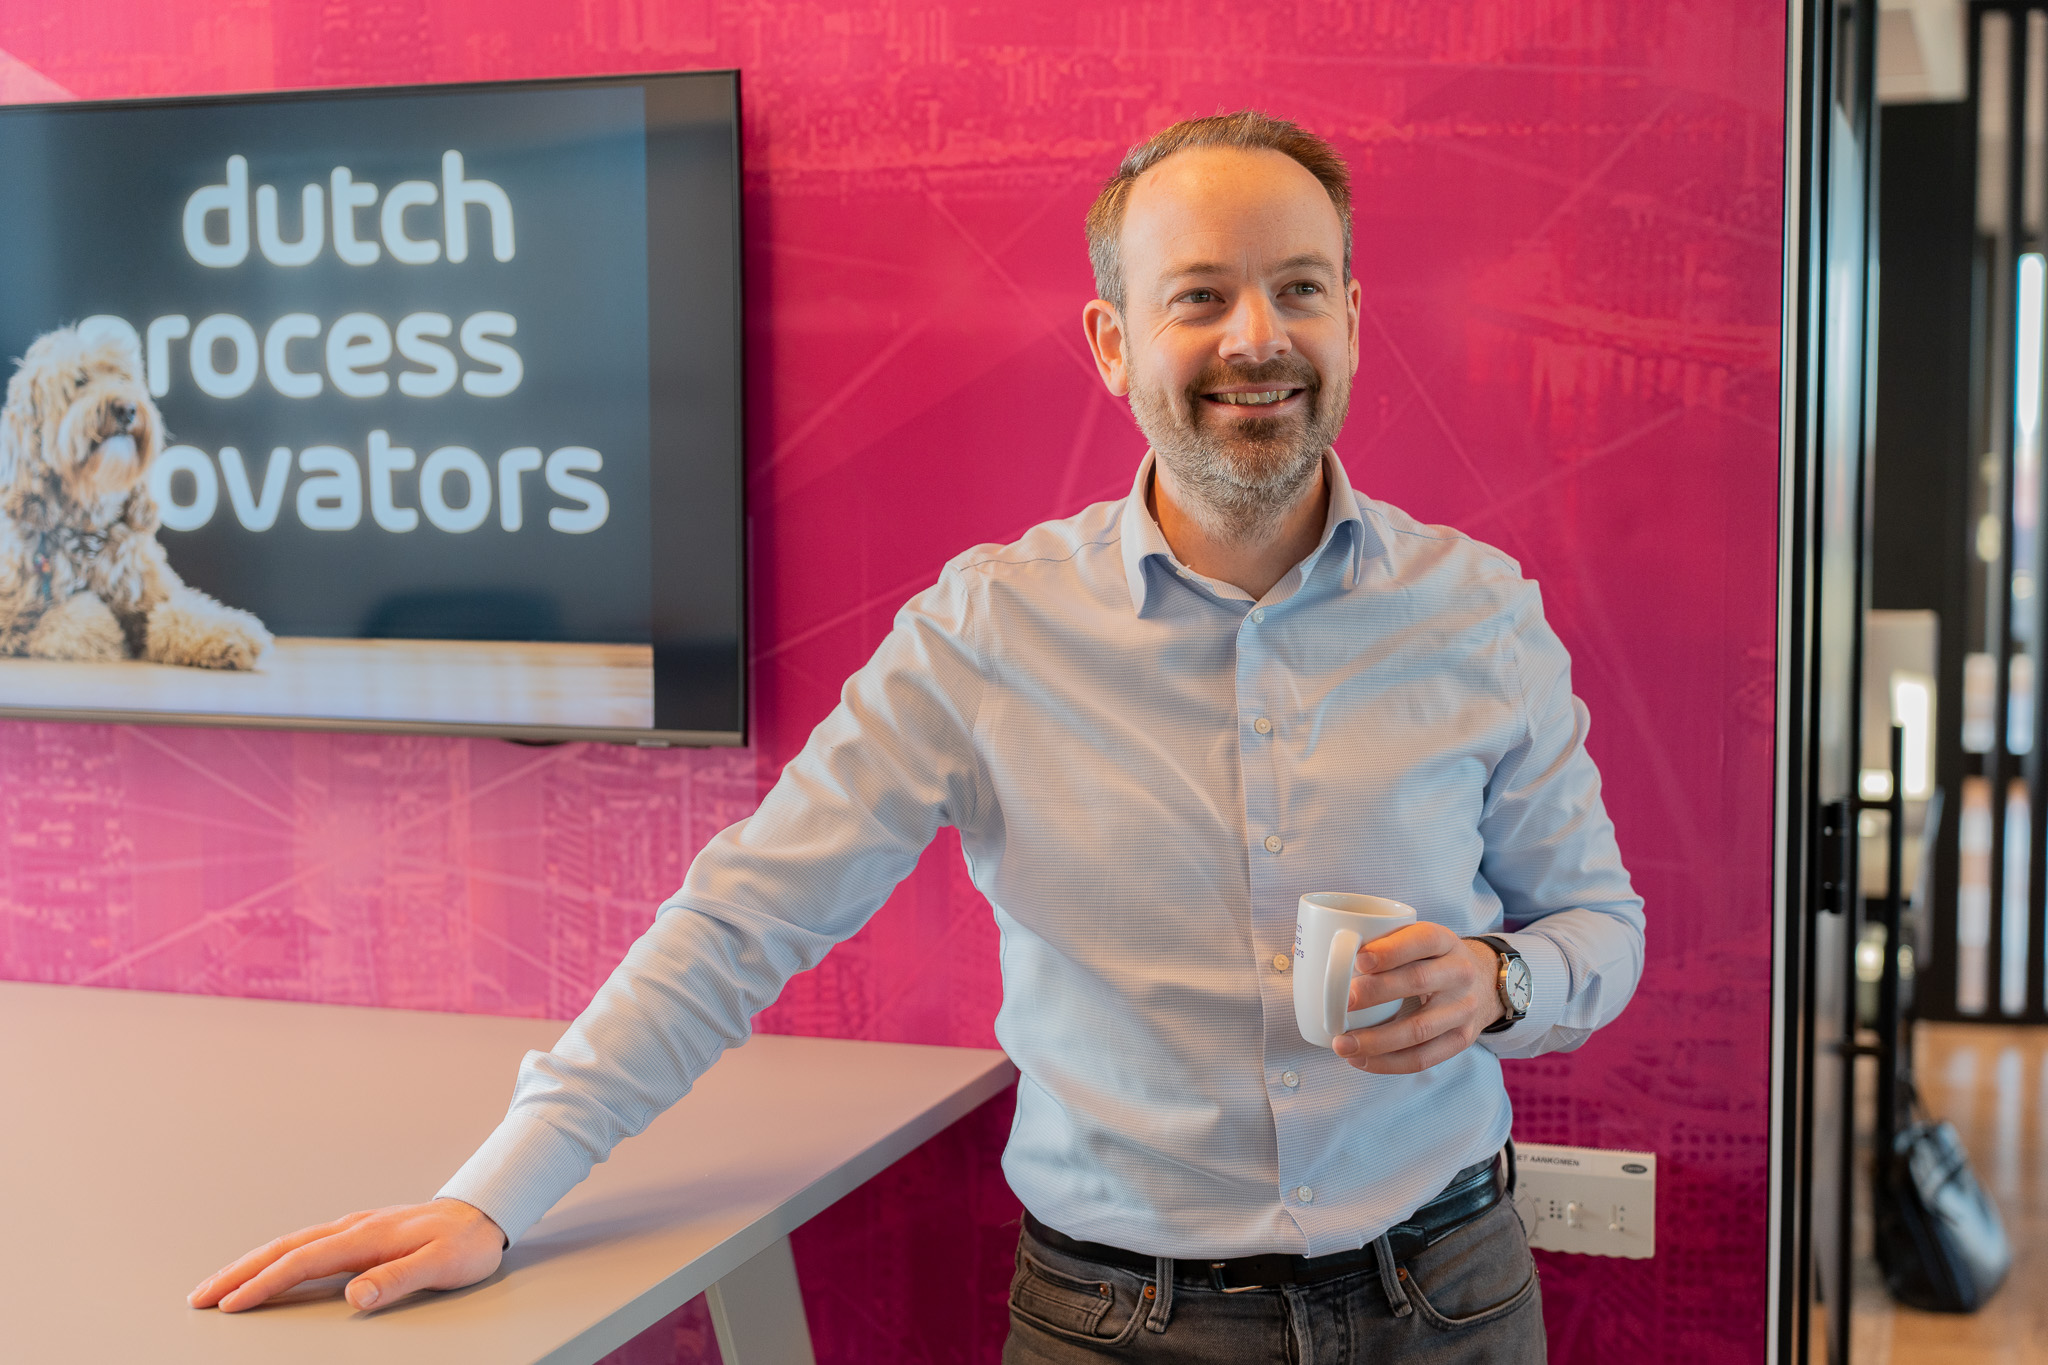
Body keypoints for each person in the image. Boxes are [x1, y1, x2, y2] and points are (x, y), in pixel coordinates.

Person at [188, 111, 1643, 1363]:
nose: (1257, 337)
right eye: (1199, 294)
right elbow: (745, 916)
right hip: (1118, 1322)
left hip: (1445, 1296)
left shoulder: (1479, 613)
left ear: (1352, 323)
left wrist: (1501, 981)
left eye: (1299, 289)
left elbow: (1601, 925)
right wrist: (494, 1194)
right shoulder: (986, 632)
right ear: (1113, 342)